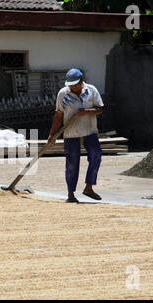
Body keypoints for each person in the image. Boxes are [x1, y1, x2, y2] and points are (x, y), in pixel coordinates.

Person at [48, 68, 104, 203]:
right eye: (70, 85)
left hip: (90, 131)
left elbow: (100, 109)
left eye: (75, 84)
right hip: (71, 133)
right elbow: (59, 114)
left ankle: (89, 187)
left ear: (81, 81)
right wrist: (52, 134)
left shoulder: (91, 90)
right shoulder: (63, 93)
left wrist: (86, 111)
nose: (72, 87)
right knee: (72, 164)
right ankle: (71, 194)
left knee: (96, 156)